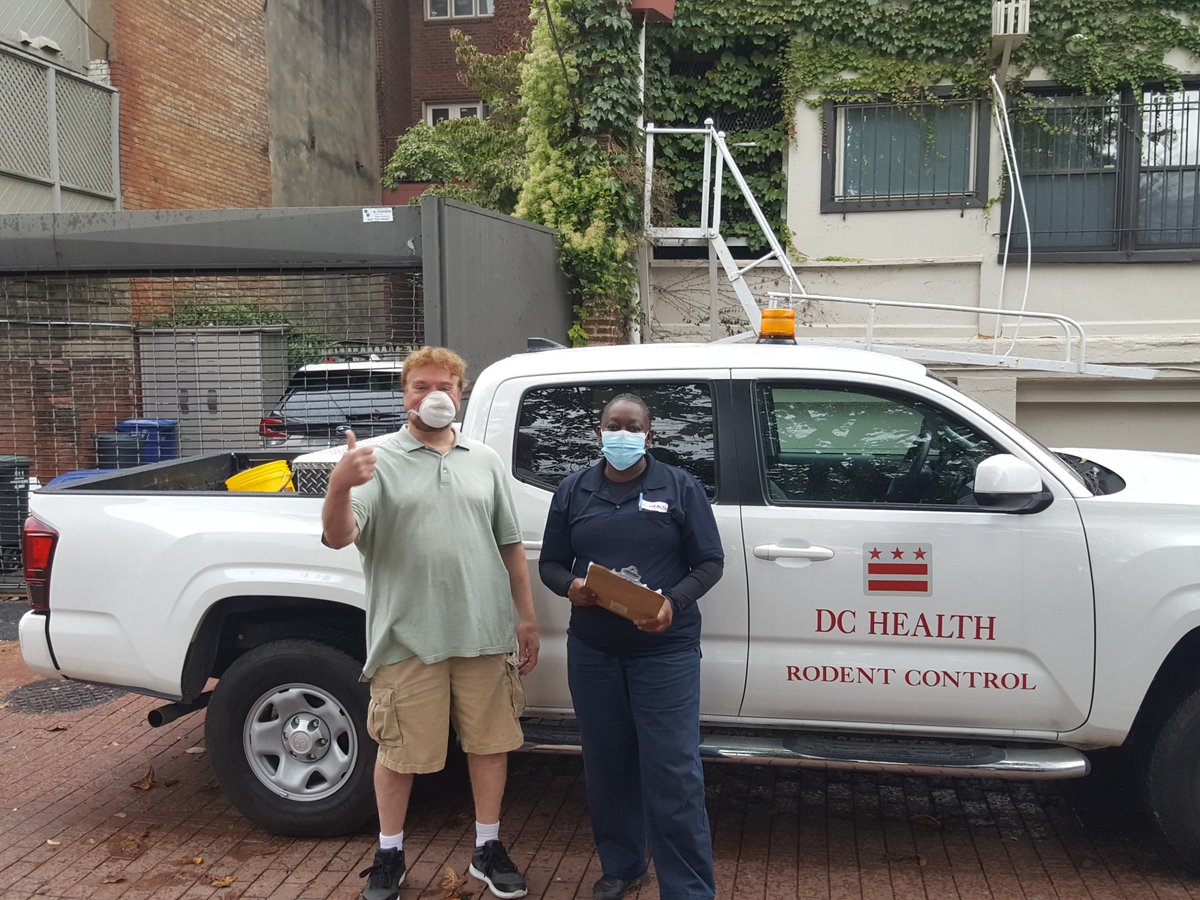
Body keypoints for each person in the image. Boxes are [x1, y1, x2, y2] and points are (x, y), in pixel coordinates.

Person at [321, 346, 539, 900]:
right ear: (405, 393)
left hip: (484, 633)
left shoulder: (484, 460)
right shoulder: (374, 460)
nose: (434, 396)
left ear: (460, 394)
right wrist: (340, 484)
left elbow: (510, 546)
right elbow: (340, 535)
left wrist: (527, 620)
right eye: (421, 386)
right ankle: (389, 853)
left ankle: (487, 849)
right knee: (399, 753)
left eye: (445, 386)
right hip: (407, 638)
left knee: (490, 744)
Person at [538, 393, 724, 900]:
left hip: (665, 653)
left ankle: (687, 889)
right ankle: (622, 867)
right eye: (612, 426)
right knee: (607, 764)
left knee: (673, 773)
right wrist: (570, 586)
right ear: (599, 434)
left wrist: (672, 603)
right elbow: (550, 563)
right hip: (594, 653)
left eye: (633, 425)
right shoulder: (574, 490)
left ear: (650, 434)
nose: (622, 433)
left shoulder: (680, 487)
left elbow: (710, 563)